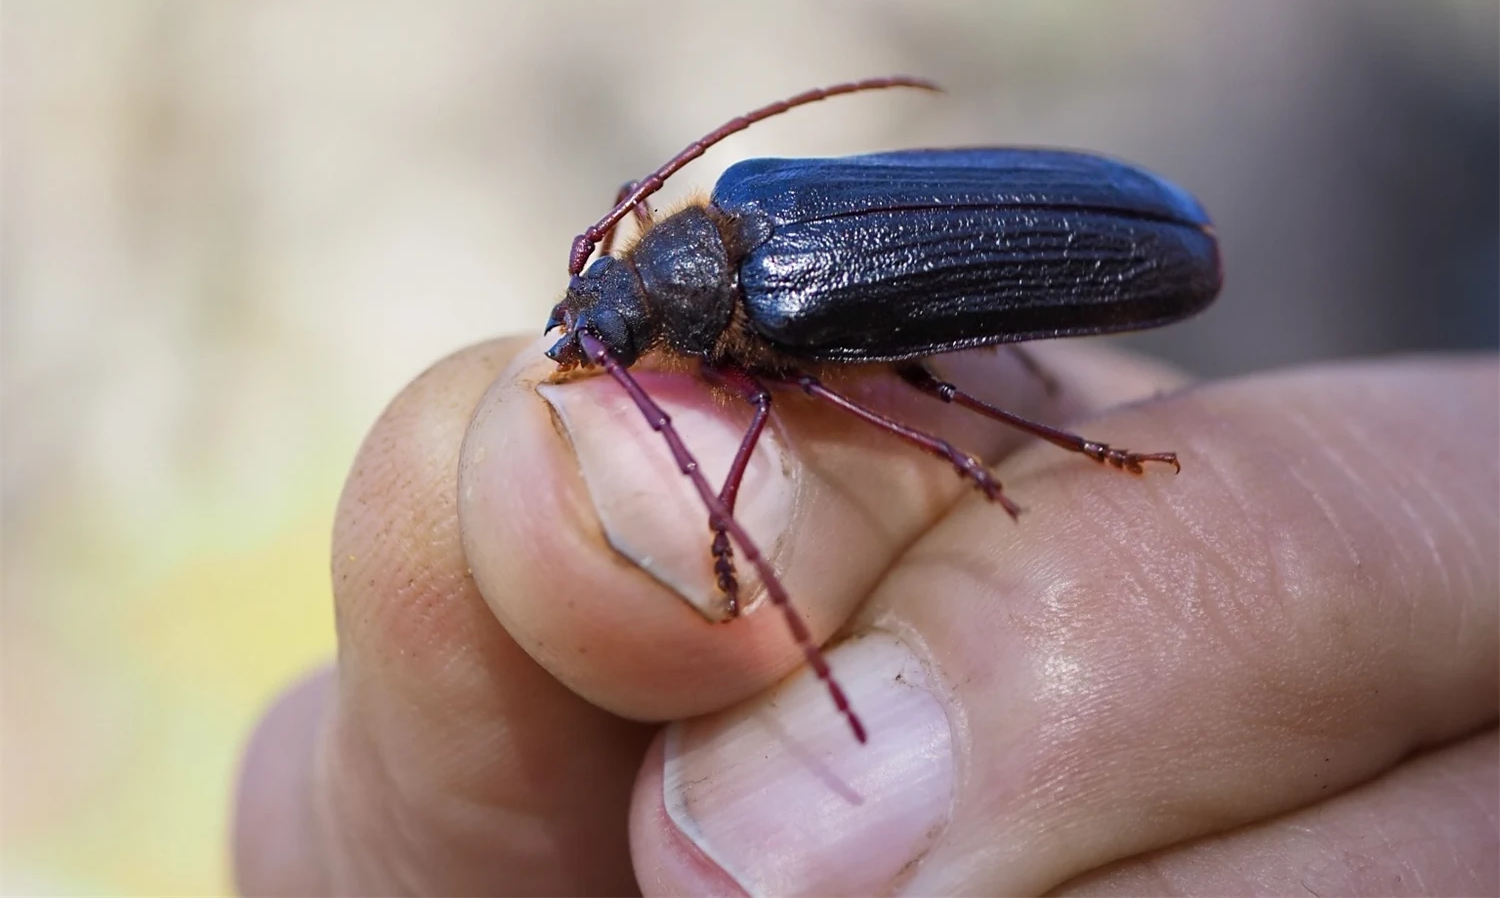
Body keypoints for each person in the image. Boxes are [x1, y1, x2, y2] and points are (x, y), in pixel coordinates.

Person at [233, 336, 1500, 896]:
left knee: (907, 405)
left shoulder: (768, 310)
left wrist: (993, 457)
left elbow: (895, 405)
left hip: (1096, 278)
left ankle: (1054, 446)